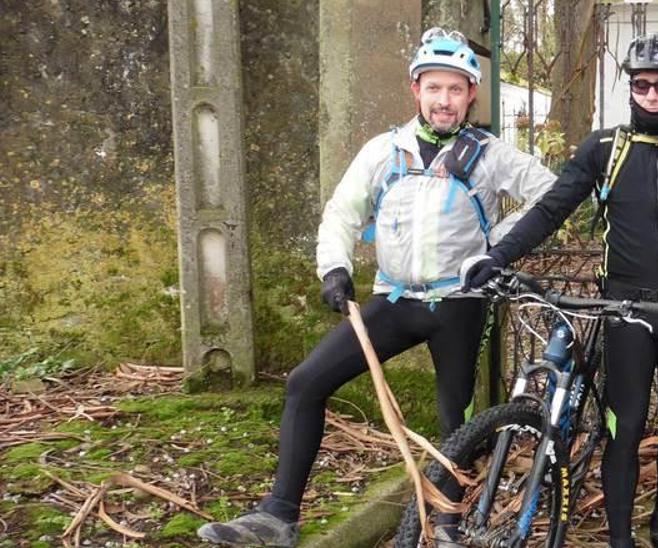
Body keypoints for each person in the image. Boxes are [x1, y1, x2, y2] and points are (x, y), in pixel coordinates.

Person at [197, 27, 556, 547]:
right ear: (416, 90)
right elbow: (342, 212)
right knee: (305, 383)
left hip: (459, 303)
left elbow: (547, 192)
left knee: (455, 418)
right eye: (434, 88)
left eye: (456, 89)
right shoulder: (383, 150)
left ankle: (450, 524)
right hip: (394, 299)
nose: (444, 100)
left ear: (471, 94)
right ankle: (278, 516)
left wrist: (492, 249)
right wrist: (334, 268)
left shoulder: (491, 153)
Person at [460, 32, 658, 548]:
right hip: (625, 303)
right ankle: (619, 537)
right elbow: (551, 209)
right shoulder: (605, 147)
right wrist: (497, 255)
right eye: (642, 85)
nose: (654, 95)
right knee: (625, 425)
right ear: (629, 87)